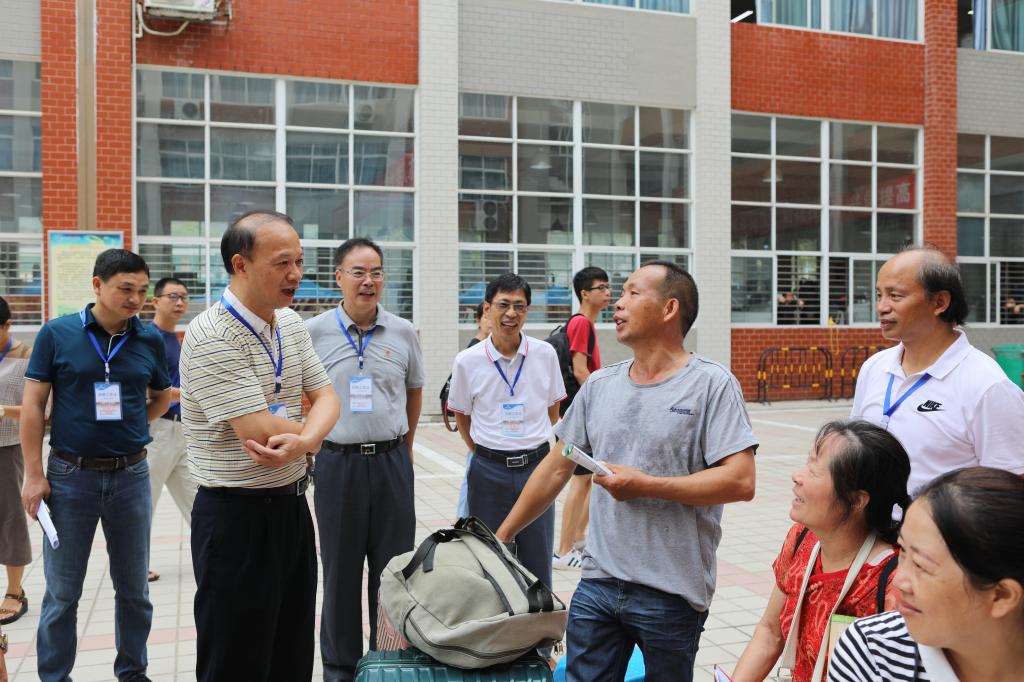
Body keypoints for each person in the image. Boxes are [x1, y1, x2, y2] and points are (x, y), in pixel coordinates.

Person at [496, 261, 758, 682]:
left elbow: (741, 481)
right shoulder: (601, 385)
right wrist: (503, 536)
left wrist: (646, 485)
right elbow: (557, 466)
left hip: (671, 591)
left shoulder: (712, 385)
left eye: (633, 293)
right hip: (598, 582)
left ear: (669, 308)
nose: (617, 303)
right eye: (619, 294)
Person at [180, 210, 340, 682]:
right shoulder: (211, 334)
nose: (296, 274)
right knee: (235, 660)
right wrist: (309, 433)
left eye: (299, 261)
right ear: (241, 264)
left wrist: (305, 439)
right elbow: (258, 430)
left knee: (292, 653)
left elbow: (329, 397)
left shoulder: (289, 323)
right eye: (282, 263)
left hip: (291, 509)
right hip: (235, 520)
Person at [21, 249, 172, 682]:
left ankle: (132, 673)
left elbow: (162, 396)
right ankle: (55, 677)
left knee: (134, 590)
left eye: (141, 290)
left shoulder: (148, 338)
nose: (135, 299)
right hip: (71, 477)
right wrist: (33, 474)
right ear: (97, 285)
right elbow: (32, 406)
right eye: (125, 289)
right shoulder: (58, 333)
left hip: (132, 476)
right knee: (62, 593)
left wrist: (134, 426)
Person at [306, 237, 425, 682]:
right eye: (358, 272)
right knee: (339, 572)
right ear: (339, 277)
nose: (368, 281)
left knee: (394, 572)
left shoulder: (403, 331)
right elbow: (302, 393)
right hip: (338, 464)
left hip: (392, 463)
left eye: (376, 272)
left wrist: (407, 448)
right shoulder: (313, 332)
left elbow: (414, 391)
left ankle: (388, 663)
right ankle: (340, 669)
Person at [731, 420, 911, 682]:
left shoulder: (893, 583)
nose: (797, 476)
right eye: (808, 462)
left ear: (856, 500)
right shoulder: (802, 540)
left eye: (814, 472)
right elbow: (770, 633)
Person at [850, 246, 1024, 493]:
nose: (881, 307)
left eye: (895, 296)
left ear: (940, 302)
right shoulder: (874, 367)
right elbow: (854, 447)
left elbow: (1012, 486)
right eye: (879, 295)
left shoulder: (988, 386)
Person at [829, 466, 1024, 682]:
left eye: (921, 566)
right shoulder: (873, 653)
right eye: (903, 551)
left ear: (1001, 596)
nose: (899, 581)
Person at [447, 273, 566, 593]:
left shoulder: (545, 354)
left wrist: (533, 440)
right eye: (503, 305)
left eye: (519, 306)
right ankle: (496, 624)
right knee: (488, 559)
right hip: (488, 470)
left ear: (527, 311)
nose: (511, 313)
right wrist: (482, 450)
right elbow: (462, 415)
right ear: (487, 308)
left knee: (537, 561)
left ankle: (538, 626)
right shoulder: (467, 361)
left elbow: (553, 409)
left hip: (537, 468)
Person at [553, 266, 611, 571]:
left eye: (608, 287)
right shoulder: (581, 323)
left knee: (588, 478)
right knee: (579, 480)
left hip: (580, 411)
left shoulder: (584, 323)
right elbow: (579, 370)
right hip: (581, 412)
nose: (608, 293)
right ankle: (563, 551)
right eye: (601, 288)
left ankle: (577, 539)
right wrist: (602, 403)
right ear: (585, 294)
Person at [144, 277, 197, 583]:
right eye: (173, 296)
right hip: (157, 431)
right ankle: (135, 566)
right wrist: (187, 394)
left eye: (184, 297)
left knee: (197, 500)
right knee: (145, 501)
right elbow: (145, 387)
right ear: (155, 301)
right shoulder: (147, 338)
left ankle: (215, 555)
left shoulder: (175, 338)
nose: (179, 303)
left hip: (182, 430)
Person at [0, 297, 31, 626]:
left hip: (6, 448)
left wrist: (4, 411)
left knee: (10, 518)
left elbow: (41, 411)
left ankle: (14, 590)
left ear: (8, 325)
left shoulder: (26, 356)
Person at [455, 301, 491, 518]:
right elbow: (462, 408)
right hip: (478, 433)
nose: (490, 322)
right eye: (485, 317)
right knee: (470, 476)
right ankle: (463, 518)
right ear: (479, 319)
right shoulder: (473, 350)